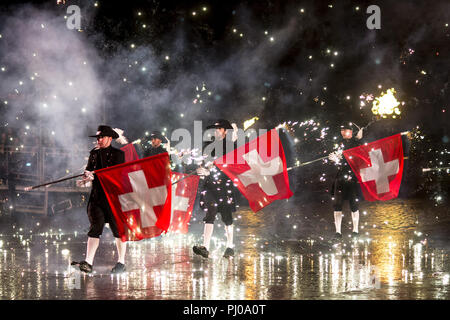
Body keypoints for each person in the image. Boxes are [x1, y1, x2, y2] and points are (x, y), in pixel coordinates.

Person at [72, 125, 127, 273]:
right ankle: (88, 263)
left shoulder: (118, 154)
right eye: (98, 137)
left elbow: (117, 175)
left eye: (101, 137)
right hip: (97, 197)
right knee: (95, 228)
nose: (99, 140)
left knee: (118, 230)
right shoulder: (94, 154)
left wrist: (97, 174)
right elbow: (88, 171)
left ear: (110, 138)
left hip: (113, 198)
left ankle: (121, 262)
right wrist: (86, 178)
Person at [193, 119, 238, 258]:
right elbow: (203, 161)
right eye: (215, 129)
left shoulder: (230, 146)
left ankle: (230, 246)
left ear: (225, 131)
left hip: (224, 186)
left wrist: (214, 168)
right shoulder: (208, 144)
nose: (216, 131)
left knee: (227, 217)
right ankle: (205, 247)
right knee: (210, 213)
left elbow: (230, 164)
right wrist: (201, 169)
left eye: (219, 129)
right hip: (210, 186)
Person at [329, 122, 363, 239]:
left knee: (354, 203)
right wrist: (334, 159)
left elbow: (360, 157)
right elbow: (334, 159)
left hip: (352, 178)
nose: (343, 132)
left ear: (351, 131)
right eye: (342, 130)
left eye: (346, 130)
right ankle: (338, 232)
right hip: (340, 178)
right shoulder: (338, 143)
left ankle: (355, 230)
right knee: (337, 204)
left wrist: (359, 138)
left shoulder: (357, 142)